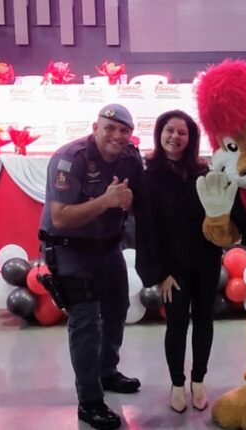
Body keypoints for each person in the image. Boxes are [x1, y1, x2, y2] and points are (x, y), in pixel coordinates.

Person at [39, 104, 143, 430]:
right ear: (95, 127)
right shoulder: (70, 159)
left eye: (123, 130)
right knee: (85, 323)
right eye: (109, 127)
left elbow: (140, 200)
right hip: (68, 249)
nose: (116, 135)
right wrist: (107, 201)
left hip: (108, 248)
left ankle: (107, 372)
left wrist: (132, 203)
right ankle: (90, 401)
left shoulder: (131, 158)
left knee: (117, 310)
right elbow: (60, 217)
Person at [135, 110, 222, 413]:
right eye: (169, 131)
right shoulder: (148, 177)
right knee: (176, 324)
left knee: (204, 321)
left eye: (182, 132)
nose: (175, 137)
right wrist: (160, 273)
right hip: (172, 269)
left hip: (206, 261)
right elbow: (146, 230)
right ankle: (176, 383)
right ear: (159, 134)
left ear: (191, 138)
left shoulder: (203, 173)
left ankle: (198, 380)